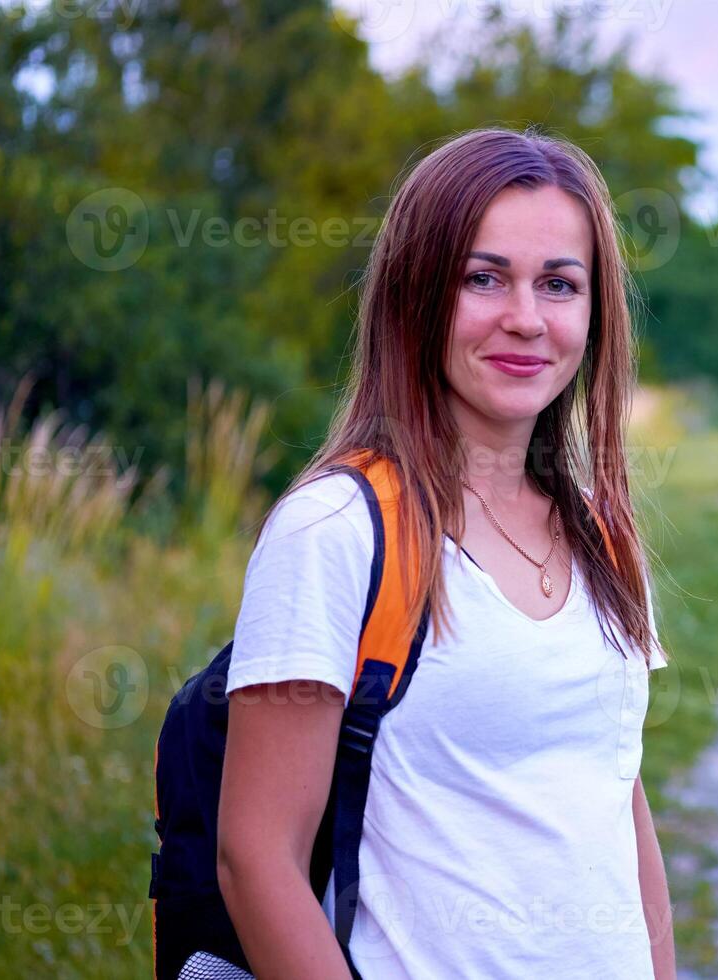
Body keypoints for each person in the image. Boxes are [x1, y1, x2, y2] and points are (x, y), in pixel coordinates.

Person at [213, 127, 676, 979]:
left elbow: (616, 796)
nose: (526, 318)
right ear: (415, 293)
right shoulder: (338, 530)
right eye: (483, 277)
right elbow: (257, 857)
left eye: (560, 285)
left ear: (594, 313)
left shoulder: (602, 532)